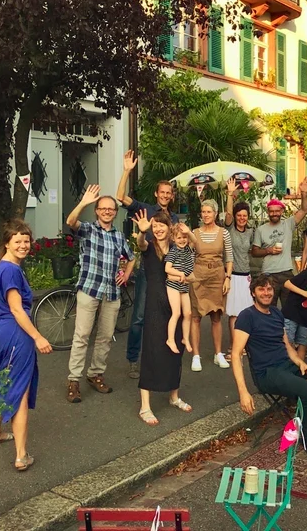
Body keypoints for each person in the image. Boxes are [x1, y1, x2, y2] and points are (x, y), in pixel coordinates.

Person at [231, 275, 307, 459]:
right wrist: (243, 392)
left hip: (287, 365)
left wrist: (301, 363)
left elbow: (287, 345)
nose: (266, 293)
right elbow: (235, 354)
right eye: (261, 290)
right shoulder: (247, 316)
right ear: (253, 293)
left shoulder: (276, 313)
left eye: (269, 289)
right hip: (267, 373)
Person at [0, 220, 52, 472]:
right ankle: (21, 455)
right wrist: (37, 337)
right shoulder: (11, 270)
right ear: (7, 243)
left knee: (1, 382)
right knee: (19, 390)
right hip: (15, 333)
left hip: (0, 331)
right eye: (18, 241)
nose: (24, 245)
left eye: (27, 241)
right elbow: (15, 308)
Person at [64, 186, 135, 403]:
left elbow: (131, 257)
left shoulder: (118, 236)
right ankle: (74, 380)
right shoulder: (87, 229)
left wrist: (125, 274)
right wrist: (83, 202)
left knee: (105, 338)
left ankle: (95, 374)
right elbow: (70, 222)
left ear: (115, 212)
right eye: (103, 208)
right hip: (89, 289)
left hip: (112, 292)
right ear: (96, 211)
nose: (107, 212)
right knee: (82, 336)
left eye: (111, 209)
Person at [116, 150, 178, 379]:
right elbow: (120, 196)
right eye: (161, 192)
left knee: (165, 315)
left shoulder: (176, 219)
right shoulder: (145, 209)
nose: (164, 195)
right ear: (156, 194)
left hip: (168, 273)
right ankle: (133, 359)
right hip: (147, 270)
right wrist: (126, 171)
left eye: (168, 193)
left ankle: (160, 357)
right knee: (140, 316)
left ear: (171, 196)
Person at [132, 209, 192, 426]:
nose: (157, 229)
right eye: (154, 225)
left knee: (175, 349)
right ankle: (145, 405)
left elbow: (197, 254)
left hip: (175, 301)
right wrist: (142, 232)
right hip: (155, 304)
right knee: (151, 350)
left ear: (169, 227)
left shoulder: (178, 248)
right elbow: (141, 245)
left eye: (161, 225)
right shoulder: (149, 247)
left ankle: (173, 395)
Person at [189, 199, 233, 372]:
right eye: (203, 211)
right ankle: (196, 355)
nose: (205, 215)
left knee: (216, 316)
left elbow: (229, 257)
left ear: (215, 213)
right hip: (198, 275)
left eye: (209, 211)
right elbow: (190, 255)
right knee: (196, 317)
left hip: (217, 275)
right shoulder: (195, 232)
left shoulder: (224, 233)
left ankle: (218, 353)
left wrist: (228, 278)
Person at [251, 177, 307, 305]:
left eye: (277, 211)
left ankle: (286, 326)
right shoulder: (261, 229)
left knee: (289, 308)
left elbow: (305, 210)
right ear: (268, 212)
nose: (274, 214)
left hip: (286, 272)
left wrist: (304, 194)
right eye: (271, 211)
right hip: (268, 273)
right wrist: (269, 250)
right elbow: (254, 252)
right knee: (268, 308)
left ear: (282, 211)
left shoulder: (288, 224)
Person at [224, 178, 256, 363]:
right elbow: (228, 214)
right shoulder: (229, 230)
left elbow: (255, 250)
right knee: (234, 314)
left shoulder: (251, 231)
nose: (242, 218)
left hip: (247, 277)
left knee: (246, 312)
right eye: (239, 215)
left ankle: (243, 346)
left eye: (245, 215)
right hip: (232, 275)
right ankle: (233, 346)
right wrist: (230, 194)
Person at [164, 223, 195, 354]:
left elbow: (196, 241)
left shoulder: (188, 249)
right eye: (179, 237)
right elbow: (167, 268)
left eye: (184, 237)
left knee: (188, 313)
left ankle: (185, 338)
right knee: (176, 312)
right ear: (173, 239)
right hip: (173, 285)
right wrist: (180, 274)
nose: (182, 240)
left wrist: (189, 232)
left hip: (184, 285)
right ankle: (170, 339)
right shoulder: (173, 251)